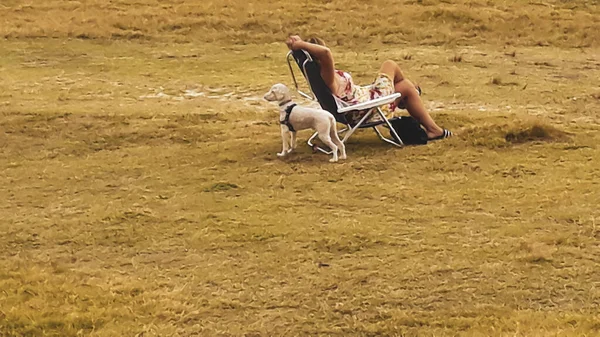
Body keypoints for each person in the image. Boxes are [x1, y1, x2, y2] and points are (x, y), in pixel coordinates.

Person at [285, 35, 452, 140]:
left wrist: (298, 43)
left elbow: (323, 53)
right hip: (364, 109)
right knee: (392, 68)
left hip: (364, 100)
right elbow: (326, 53)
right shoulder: (326, 74)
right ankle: (428, 123)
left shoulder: (317, 74)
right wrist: (300, 45)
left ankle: (414, 105)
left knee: (403, 86)